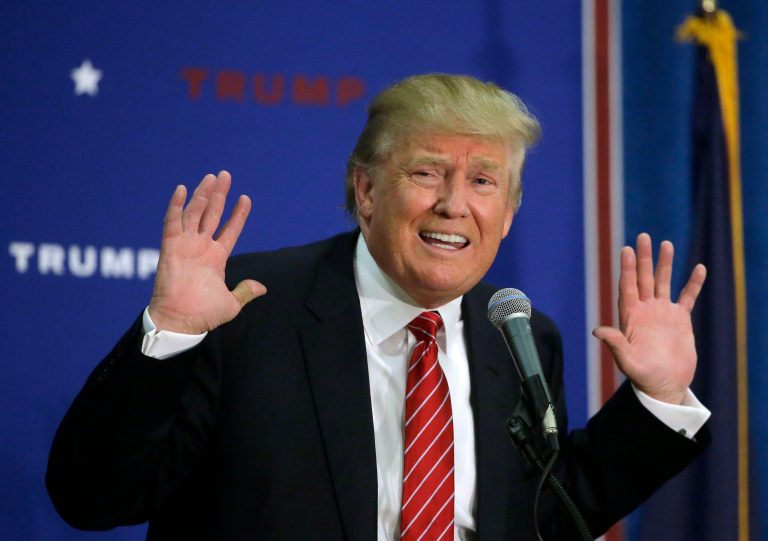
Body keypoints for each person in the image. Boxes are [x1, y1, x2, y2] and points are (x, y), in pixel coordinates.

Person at [46, 74, 710, 540]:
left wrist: (657, 398)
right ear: (366, 189)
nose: (455, 203)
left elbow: (542, 518)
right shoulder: (245, 310)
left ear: (507, 214)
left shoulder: (520, 333)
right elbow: (92, 497)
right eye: (427, 172)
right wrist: (168, 337)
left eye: (483, 181)